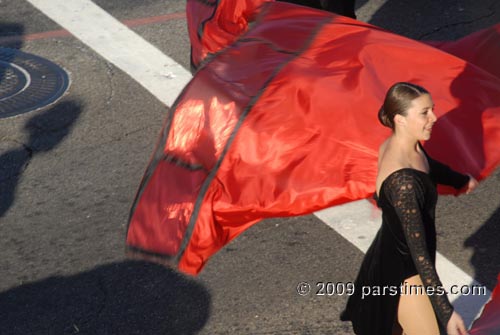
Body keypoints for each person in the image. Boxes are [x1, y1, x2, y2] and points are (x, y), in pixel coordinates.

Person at [340, 82, 478, 335]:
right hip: (402, 274)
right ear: (400, 118)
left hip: (391, 256)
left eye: (432, 109)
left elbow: (428, 164)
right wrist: (445, 312)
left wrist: (460, 180)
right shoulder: (403, 182)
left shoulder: (406, 144)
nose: (434, 118)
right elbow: (420, 256)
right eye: (425, 113)